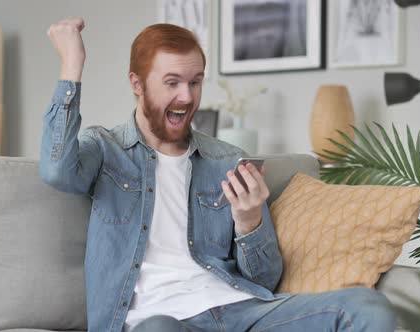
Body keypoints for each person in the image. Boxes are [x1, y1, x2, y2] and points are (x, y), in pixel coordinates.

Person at [40, 17, 397, 332]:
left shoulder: (226, 159)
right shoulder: (105, 149)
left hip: (241, 312)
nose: (186, 96)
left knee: (365, 305)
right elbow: (56, 170)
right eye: (172, 82)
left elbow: (265, 280)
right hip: (161, 322)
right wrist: (72, 65)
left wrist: (249, 222)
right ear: (137, 84)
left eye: (195, 82)